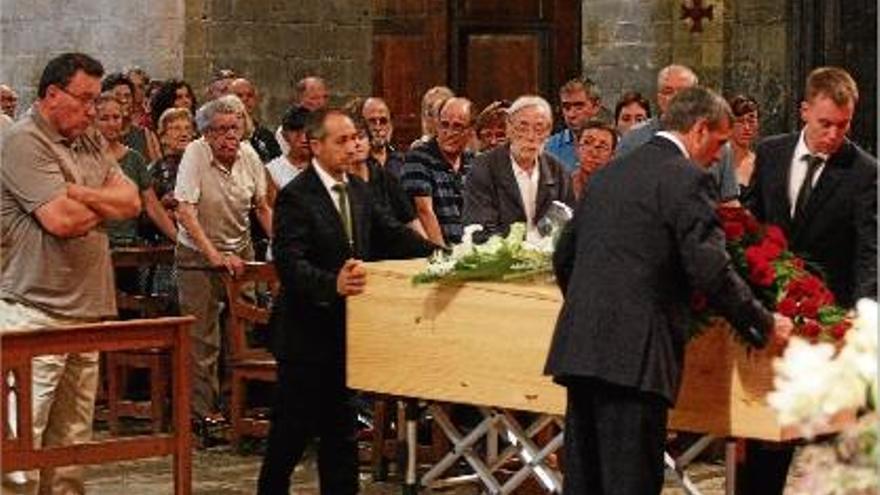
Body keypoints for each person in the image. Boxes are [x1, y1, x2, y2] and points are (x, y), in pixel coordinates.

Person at [544, 87, 792, 495]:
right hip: (636, 357)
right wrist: (762, 325)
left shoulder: (611, 173)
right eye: (718, 143)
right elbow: (710, 269)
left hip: (581, 349)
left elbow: (564, 256)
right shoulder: (688, 179)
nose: (718, 157)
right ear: (698, 130)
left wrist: (595, 310)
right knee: (631, 483)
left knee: (585, 482)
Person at [257, 109, 436, 494]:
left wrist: (443, 256)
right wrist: (332, 283)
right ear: (315, 144)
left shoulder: (358, 189)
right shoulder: (296, 196)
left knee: (341, 433)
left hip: (346, 331)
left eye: (355, 137)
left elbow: (391, 235)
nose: (352, 146)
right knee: (290, 433)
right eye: (341, 140)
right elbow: (290, 265)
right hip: (304, 334)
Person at [0, 52, 140, 493]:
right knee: (19, 448)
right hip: (34, 311)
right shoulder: (23, 141)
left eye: (97, 100)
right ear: (52, 94)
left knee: (71, 449)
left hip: (86, 312)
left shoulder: (89, 140)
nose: (92, 111)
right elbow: (61, 220)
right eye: (84, 99)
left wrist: (79, 191)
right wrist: (102, 205)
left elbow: (133, 202)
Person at [741, 66, 877, 495]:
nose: (834, 135)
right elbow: (752, 225)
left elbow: (871, 252)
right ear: (804, 111)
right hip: (773, 324)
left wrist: (861, 318)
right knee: (766, 440)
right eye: (825, 124)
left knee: (830, 445)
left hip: (830, 328)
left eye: (843, 125)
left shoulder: (864, 171)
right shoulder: (772, 152)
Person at [173, 95, 273, 441]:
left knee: (239, 334)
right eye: (220, 130)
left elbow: (261, 206)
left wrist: (285, 246)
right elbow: (185, 210)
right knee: (203, 340)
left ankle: (235, 411)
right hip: (197, 255)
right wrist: (212, 255)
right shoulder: (195, 154)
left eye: (236, 127)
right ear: (206, 134)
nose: (230, 136)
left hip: (239, 252)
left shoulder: (249, 154)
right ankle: (204, 415)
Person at [613, 64, 739, 202]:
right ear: (659, 97)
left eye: (683, 92)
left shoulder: (717, 144)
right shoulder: (633, 139)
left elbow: (729, 201)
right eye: (668, 91)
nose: (675, 98)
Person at [462, 95, 574, 240]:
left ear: (548, 133)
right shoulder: (484, 168)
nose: (531, 136)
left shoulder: (558, 172)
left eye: (539, 129)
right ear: (509, 128)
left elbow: (567, 226)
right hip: (500, 258)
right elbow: (480, 228)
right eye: (523, 127)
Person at [94, 93, 177, 249]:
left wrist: (179, 241)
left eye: (116, 117)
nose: (112, 123)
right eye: (104, 118)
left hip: (127, 246)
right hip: (94, 246)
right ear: (93, 121)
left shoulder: (134, 159)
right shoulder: (83, 157)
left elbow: (152, 206)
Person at [401, 96, 475, 246]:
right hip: (436, 253)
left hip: (469, 251)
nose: (448, 132)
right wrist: (442, 255)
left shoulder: (473, 162)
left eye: (457, 127)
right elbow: (424, 211)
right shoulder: (419, 157)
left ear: (471, 130)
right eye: (444, 125)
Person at [347, 114, 425, 237]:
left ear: (369, 141)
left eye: (361, 137)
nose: (357, 143)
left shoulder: (385, 177)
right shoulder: (340, 182)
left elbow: (410, 220)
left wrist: (431, 251)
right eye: (351, 139)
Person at [544, 77, 602, 172]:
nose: (571, 114)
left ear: (596, 107)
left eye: (579, 107)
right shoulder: (550, 147)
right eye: (566, 107)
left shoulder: (613, 144)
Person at [103, 72, 161, 161]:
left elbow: (156, 167)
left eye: (127, 96)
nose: (123, 100)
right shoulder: (97, 136)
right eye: (117, 95)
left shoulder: (146, 135)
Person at [230, 77, 282, 163]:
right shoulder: (223, 134)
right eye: (239, 95)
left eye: (249, 95)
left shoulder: (266, 136)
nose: (245, 99)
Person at [266, 105, 311, 192]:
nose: (304, 139)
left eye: (307, 132)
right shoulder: (273, 171)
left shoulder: (325, 165)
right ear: (284, 135)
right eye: (297, 132)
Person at [571, 120, 618, 200]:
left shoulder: (619, 191)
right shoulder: (563, 185)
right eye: (587, 143)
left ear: (612, 155)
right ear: (577, 148)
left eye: (602, 147)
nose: (594, 152)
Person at [361, 96, 406, 178]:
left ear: (391, 125)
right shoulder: (358, 163)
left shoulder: (402, 161)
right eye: (372, 121)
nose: (378, 128)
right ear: (363, 125)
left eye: (383, 121)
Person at [727, 94, 760, 204]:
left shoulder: (762, 163)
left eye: (751, 121)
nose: (746, 127)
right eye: (740, 121)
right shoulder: (716, 162)